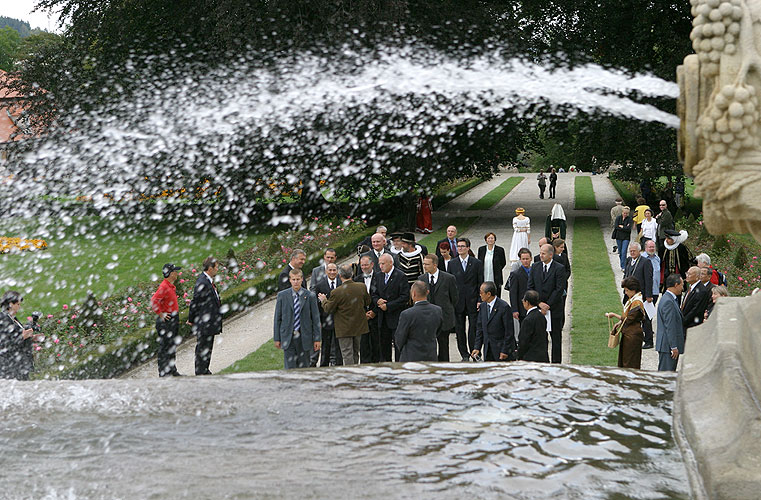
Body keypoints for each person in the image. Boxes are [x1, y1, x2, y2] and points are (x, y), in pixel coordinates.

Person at [320, 265, 371, 365]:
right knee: (356, 352)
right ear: (352, 274)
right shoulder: (361, 287)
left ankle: (351, 374)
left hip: (344, 328)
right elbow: (367, 301)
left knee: (347, 354)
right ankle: (356, 371)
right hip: (359, 326)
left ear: (340, 275)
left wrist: (324, 300)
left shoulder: (337, 292)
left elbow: (328, 309)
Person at [273, 268, 321, 369]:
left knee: (304, 367)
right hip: (288, 337)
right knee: (290, 368)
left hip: (304, 337)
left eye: (298, 279)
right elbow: (278, 318)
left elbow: (316, 319)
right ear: (290, 280)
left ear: (302, 280)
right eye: (293, 279)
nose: (296, 282)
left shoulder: (310, 296)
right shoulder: (282, 296)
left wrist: (317, 338)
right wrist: (277, 338)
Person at [527, 244, 567, 363]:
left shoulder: (559, 268)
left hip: (554, 309)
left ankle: (556, 364)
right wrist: (539, 303)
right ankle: (542, 362)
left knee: (556, 339)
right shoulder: (535, 267)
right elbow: (530, 286)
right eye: (540, 253)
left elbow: (559, 289)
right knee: (540, 339)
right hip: (539, 310)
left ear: (551, 254)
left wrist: (548, 305)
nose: (541, 255)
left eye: (543, 253)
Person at [449, 237, 484, 361]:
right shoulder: (452, 263)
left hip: (473, 300)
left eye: (462, 246)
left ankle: (474, 352)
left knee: (473, 328)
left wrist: (480, 299)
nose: (460, 248)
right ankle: (464, 353)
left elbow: (480, 282)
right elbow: (450, 284)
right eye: (458, 246)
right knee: (460, 329)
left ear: (468, 248)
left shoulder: (477, 263)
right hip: (458, 301)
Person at [420, 254, 458, 361]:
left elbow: (454, 298)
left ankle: (444, 367)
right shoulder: (421, 279)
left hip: (444, 318)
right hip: (427, 318)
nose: (424, 266)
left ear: (435, 265)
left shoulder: (448, 278)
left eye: (427, 264)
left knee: (443, 346)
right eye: (424, 264)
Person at [372, 253, 410, 362]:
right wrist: (377, 300)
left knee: (398, 345)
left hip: (395, 317)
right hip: (382, 319)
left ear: (390, 263)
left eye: (383, 264)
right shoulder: (378, 275)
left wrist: (388, 306)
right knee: (384, 347)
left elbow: (404, 297)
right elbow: (373, 293)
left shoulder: (400, 276)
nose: (381, 266)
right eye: (380, 264)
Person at [188, 256, 222, 375]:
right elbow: (195, 302)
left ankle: (205, 370)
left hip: (209, 322)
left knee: (207, 348)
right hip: (204, 323)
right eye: (216, 267)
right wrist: (191, 319)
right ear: (210, 268)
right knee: (202, 348)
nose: (217, 269)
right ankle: (201, 372)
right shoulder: (202, 282)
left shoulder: (208, 281)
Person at [394, 281, 443, 362]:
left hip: (411, 356)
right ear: (427, 292)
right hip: (430, 355)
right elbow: (438, 330)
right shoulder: (437, 310)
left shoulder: (407, 314)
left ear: (413, 294)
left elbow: (400, 338)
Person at [0, 291, 42, 380]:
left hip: (20, 363)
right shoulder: (3, 319)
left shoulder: (13, 319)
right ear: (10, 304)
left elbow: (17, 337)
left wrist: (33, 337)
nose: (20, 307)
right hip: (10, 365)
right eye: (18, 304)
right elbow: (4, 342)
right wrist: (23, 336)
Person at [605, 277, 645, 369]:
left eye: (627, 290)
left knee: (630, 362)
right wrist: (619, 322)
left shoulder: (637, 302)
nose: (626, 293)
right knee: (625, 360)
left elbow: (629, 319)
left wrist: (614, 315)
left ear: (633, 290)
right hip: (629, 333)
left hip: (633, 336)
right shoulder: (633, 299)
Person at [151, 263, 182, 377]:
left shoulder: (170, 286)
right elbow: (154, 300)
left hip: (172, 319)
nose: (176, 273)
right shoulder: (164, 287)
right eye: (175, 271)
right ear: (170, 273)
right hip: (166, 321)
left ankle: (172, 370)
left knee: (171, 346)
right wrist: (161, 314)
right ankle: (164, 373)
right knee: (165, 347)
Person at [471, 282, 516, 361]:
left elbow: (509, 332)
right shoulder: (483, 306)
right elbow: (480, 329)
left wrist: (504, 350)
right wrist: (477, 347)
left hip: (500, 351)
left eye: (481, 293)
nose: (480, 295)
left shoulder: (504, 307)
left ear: (488, 294)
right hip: (488, 350)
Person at [314, 263, 343, 366]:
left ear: (337, 271)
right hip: (326, 321)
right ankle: (324, 367)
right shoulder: (320, 285)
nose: (332, 272)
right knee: (326, 346)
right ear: (326, 271)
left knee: (339, 347)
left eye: (334, 270)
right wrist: (319, 322)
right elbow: (317, 306)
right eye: (330, 270)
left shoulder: (342, 284)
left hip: (340, 321)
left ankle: (339, 366)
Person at [656, 274, 685, 371]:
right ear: (676, 285)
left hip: (666, 346)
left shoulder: (669, 298)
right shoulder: (668, 301)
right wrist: (673, 346)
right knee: (666, 375)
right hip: (667, 346)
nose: (682, 288)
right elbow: (670, 326)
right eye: (682, 285)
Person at [355, 255, 380, 363]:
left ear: (372, 265)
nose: (364, 267)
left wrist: (374, 312)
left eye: (366, 265)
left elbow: (382, 296)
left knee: (377, 344)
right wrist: (363, 314)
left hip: (377, 315)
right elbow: (355, 299)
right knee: (363, 345)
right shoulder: (357, 279)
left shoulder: (380, 277)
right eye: (362, 265)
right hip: (362, 318)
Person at [516, 290, 549, 362]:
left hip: (531, 358)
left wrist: (519, 355)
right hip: (542, 356)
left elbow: (523, 341)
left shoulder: (527, 320)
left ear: (527, 302)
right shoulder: (541, 316)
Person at [642, 240, 661, 349]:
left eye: (653, 247)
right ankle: (648, 340)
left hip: (655, 291)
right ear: (645, 248)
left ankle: (648, 333)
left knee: (649, 314)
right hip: (646, 292)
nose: (652, 249)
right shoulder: (643, 259)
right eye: (650, 247)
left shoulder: (657, 259)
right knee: (646, 316)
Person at [681, 266, 711, 334]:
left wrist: (683, 321)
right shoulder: (690, 287)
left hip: (692, 325)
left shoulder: (701, 290)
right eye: (687, 273)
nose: (687, 276)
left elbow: (696, 309)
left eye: (690, 274)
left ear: (697, 276)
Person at [478, 232, 507, 297]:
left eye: (492, 238)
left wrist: (497, 268)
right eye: (489, 238)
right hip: (485, 275)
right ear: (486, 240)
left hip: (495, 276)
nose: (490, 240)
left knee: (495, 294)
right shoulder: (481, 249)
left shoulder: (500, 250)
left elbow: (503, 262)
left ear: (494, 240)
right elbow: (479, 262)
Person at [507, 248, 532, 324]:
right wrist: (514, 309)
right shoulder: (515, 274)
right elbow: (513, 292)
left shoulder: (535, 271)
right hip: (522, 307)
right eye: (523, 259)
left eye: (527, 259)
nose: (525, 261)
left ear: (531, 259)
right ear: (520, 260)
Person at [613, 206, 633, 271]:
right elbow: (616, 227)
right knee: (621, 252)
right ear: (622, 212)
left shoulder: (629, 219)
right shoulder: (618, 218)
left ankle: (623, 266)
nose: (625, 214)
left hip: (626, 237)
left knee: (624, 251)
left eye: (626, 213)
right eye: (624, 213)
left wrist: (622, 227)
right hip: (618, 237)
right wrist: (624, 227)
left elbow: (629, 229)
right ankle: (622, 263)